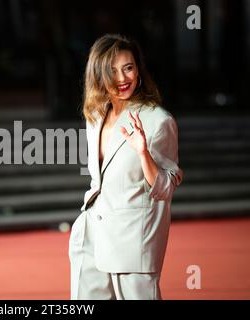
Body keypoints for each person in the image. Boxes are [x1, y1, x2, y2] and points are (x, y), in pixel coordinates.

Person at [69, 34, 184, 300]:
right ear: (97, 74)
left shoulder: (158, 120)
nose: (122, 78)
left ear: (138, 70)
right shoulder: (95, 116)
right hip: (90, 240)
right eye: (112, 70)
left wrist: (144, 153)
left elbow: (166, 188)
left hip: (132, 246)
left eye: (128, 67)